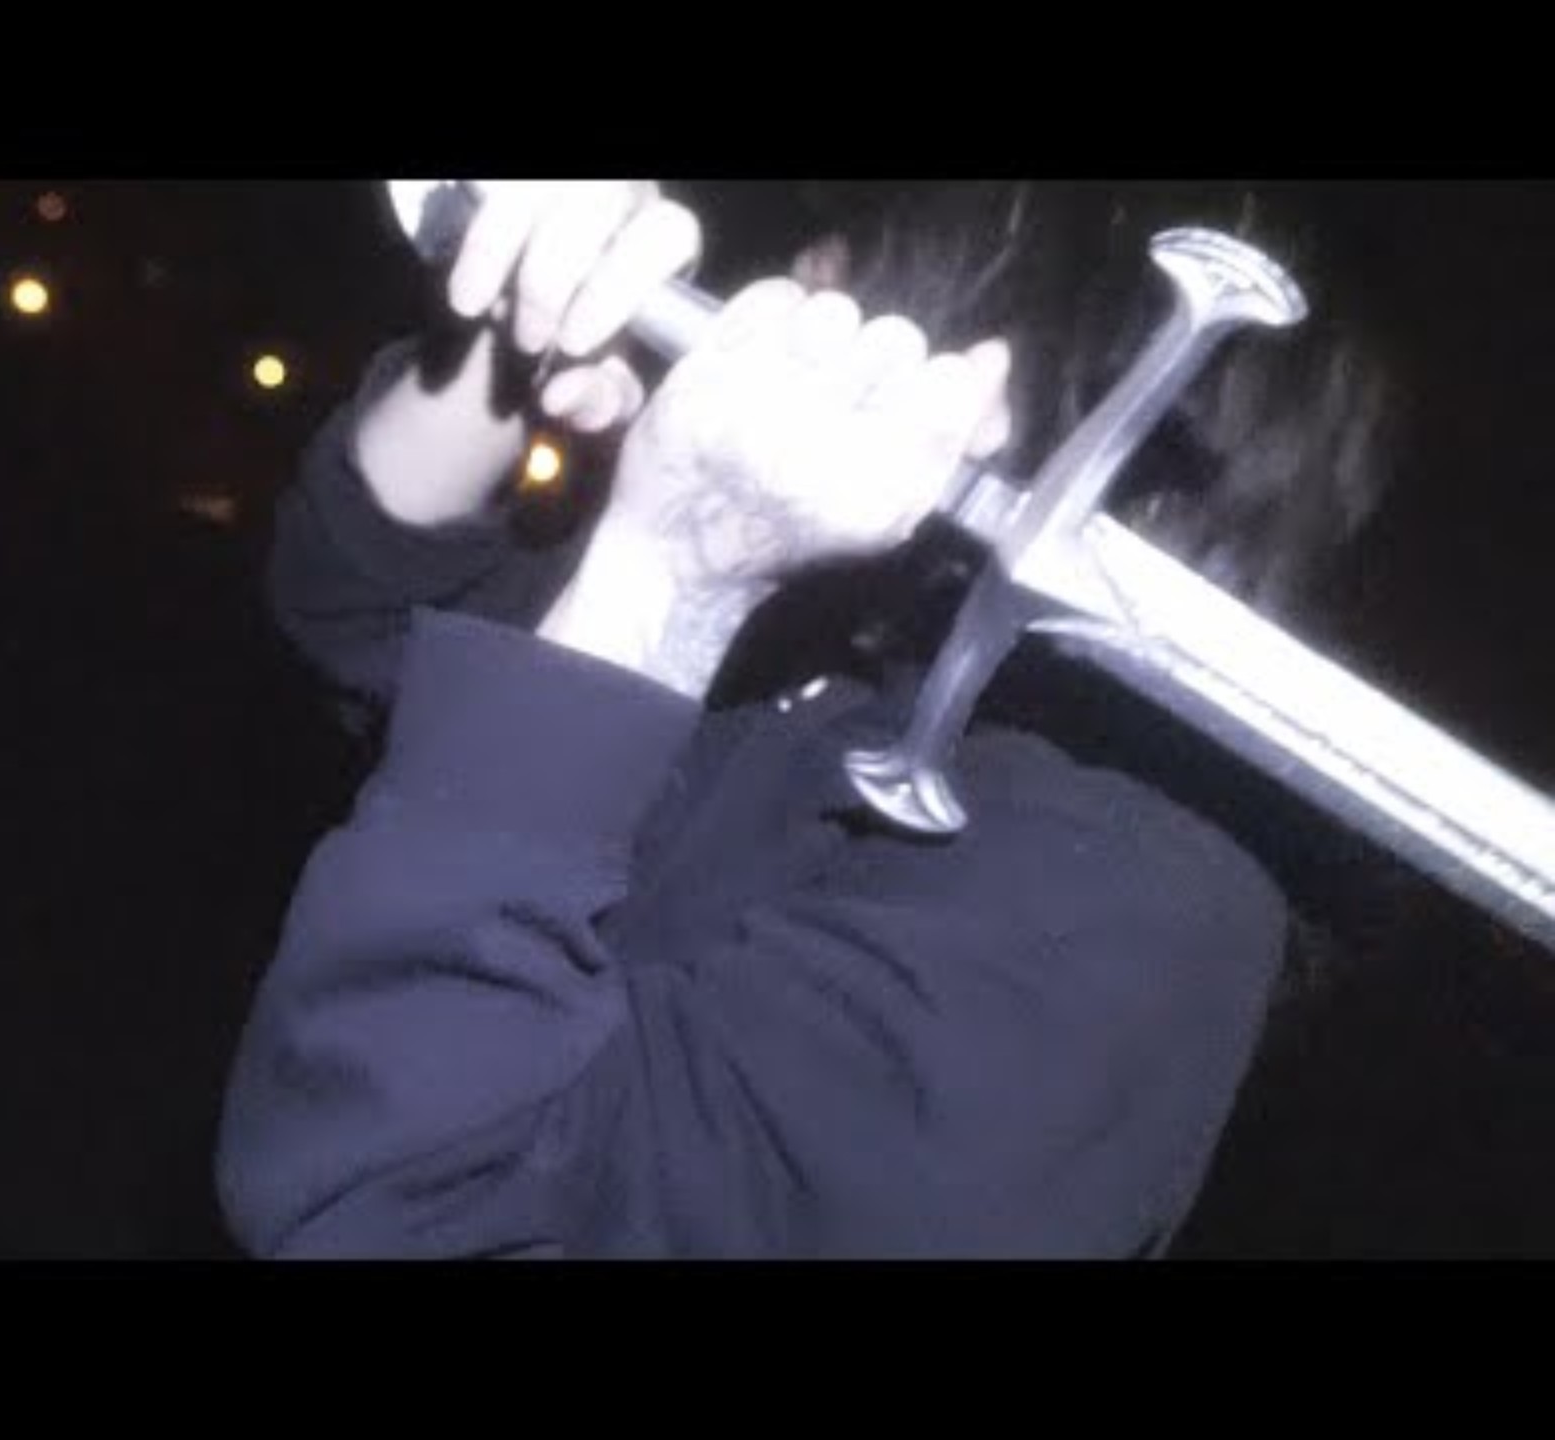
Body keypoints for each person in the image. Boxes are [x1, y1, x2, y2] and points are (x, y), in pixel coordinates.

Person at [215, 179, 1395, 1258]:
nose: (794, 276)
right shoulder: (838, 641)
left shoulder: (1130, 905)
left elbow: (392, 1193)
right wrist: (513, 336)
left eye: (864, 248)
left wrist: (669, 572)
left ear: (1064, 351)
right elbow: (359, 612)